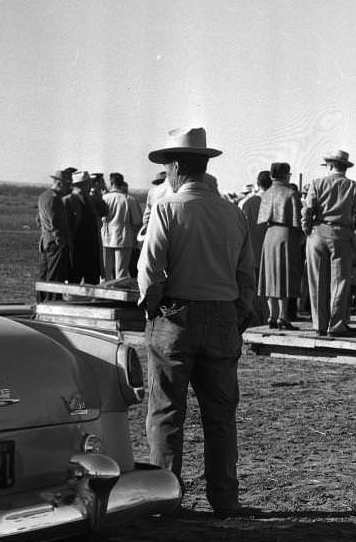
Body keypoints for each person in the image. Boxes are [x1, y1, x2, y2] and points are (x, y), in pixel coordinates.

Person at [136, 126, 256, 518]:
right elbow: (246, 275)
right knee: (220, 415)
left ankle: (164, 499)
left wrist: (153, 309)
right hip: (222, 315)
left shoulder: (168, 209)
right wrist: (235, 313)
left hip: (176, 315)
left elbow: (150, 271)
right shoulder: (232, 212)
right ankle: (225, 498)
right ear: (204, 166)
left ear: (173, 167)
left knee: (167, 411)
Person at [301, 149, 356, 337]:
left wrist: (307, 229)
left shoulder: (316, 183)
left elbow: (307, 211)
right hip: (341, 235)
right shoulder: (355, 187)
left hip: (317, 234)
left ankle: (319, 324)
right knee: (340, 282)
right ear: (345, 167)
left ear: (329, 165)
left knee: (317, 281)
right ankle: (337, 324)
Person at [256, 161, 304, 329]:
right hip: (286, 234)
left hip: (270, 235)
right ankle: (283, 317)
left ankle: (272, 316)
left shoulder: (267, 194)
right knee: (285, 277)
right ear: (286, 175)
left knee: (270, 276)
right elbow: (298, 221)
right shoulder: (291, 193)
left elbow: (261, 219)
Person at [36, 169, 73, 296]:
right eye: (68, 184)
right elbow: (56, 223)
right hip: (55, 244)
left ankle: (40, 303)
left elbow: (38, 220)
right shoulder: (55, 199)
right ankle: (51, 304)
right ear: (60, 184)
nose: (69, 188)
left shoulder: (43, 196)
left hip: (45, 242)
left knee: (43, 276)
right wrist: (61, 242)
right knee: (55, 278)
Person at [100, 173, 143, 281]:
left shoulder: (103, 198)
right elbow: (137, 221)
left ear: (111, 182)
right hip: (124, 237)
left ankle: (102, 295)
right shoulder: (129, 199)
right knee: (121, 273)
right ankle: (118, 295)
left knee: (105, 271)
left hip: (105, 235)